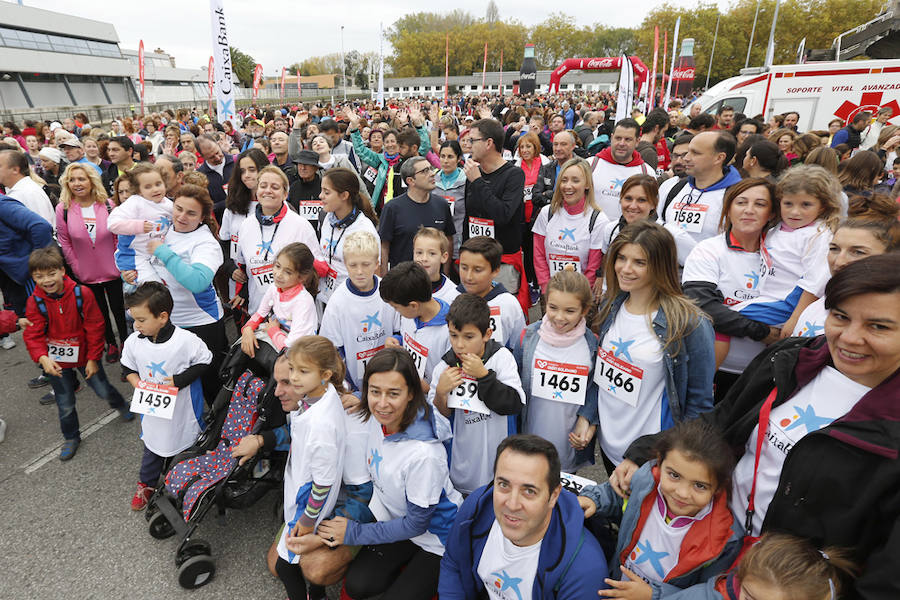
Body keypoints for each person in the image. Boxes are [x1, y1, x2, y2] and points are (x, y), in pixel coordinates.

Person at [613, 253, 900, 597]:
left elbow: (888, 574)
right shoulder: (792, 358)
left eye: (878, 326)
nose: (851, 338)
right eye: (840, 316)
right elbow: (720, 421)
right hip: (717, 546)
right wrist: (646, 451)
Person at [313, 347, 462, 600]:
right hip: (397, 522)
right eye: (375, 391)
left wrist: (354, 533)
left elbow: (416, 524)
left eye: (393, 393)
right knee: (359, 585)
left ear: (411, 394)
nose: (381, 404)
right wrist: (361, 397)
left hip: (437, 539)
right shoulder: (376, 414)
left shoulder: (423, 455)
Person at [592, 221, 715, 469]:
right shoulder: (611, 306)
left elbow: (699, 405)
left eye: (640, 262)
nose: (625, 269)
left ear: (660, 266)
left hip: (649, 457)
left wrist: (671, 458)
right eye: (621, 258)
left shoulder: (689, 324)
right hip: (608, 446)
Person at [579, 420, 741, 598]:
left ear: (718, 488)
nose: (682, 493)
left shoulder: (725, 538)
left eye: (700, 486)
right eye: (674, 475)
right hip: (616, 583)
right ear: (659, 463)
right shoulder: (646, 481)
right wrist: (594, 499)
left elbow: (706, 593)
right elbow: (619, 496)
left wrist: (653, 595)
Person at [439, 434, 610, 599]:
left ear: (553, 496)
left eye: (529, 491)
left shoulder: (584, 570)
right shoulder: (478, 506)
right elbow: (453, 563)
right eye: (504, 485)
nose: (512, 505)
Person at [22, 247, 133, 461]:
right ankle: (71, 437)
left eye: (51, 273)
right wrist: (42, 358)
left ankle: (120, 403)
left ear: (63, 271)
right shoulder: (34, 302)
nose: (46, 280)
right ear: (33, 278)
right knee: (65, 401)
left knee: (102, 388)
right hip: (55, 360)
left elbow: (95, 326)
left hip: (84, 355)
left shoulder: (83, 293)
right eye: (39, 276)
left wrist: (93, 358)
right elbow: (32, 335)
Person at [121, 282, 211, 510]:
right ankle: (147, 483)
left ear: (162, 317)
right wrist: (137, 383)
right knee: (153, 445)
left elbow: (205, 361)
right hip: (153, 411)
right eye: (134, 319)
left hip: (183, 410)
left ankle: (186, 486)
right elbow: (127, 368)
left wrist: (180, 381)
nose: (136, 325)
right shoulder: (133, 342)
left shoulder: (185, 341)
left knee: (186, 447)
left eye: (141, 320)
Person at [275, 337, 348, 600]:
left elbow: (322, 483)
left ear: (325, 374)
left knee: (285, 565)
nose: (294, 378)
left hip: (307, 503)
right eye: (292, 368)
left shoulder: (321, 424)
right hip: (302, 492)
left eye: (303, 372)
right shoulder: (322, 395)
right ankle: (317, 595)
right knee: (294, 558)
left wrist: (306, 521)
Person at [429, 293, 525, 495]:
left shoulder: (501, 359)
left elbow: (513, 404)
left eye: (468, 337)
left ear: (487, 334)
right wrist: (440, 393)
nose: (460, 344)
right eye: (454, 335)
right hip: (462, 465)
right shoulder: (444, 368)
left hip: (498, 465)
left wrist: (483, 376)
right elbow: (439, 419)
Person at [734, 165, 840, 341]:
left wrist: (795, 319)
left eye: (806, 204)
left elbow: (815, 282)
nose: (795, 212)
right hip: (763, 297)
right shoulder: (775, 229)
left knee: (723, 317)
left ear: (822, 206)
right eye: (788, 203)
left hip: (788, 304)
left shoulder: (819, 235)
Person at [146, 184, 226, 404]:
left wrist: (164, 253)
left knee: (211, 387)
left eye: (191, 213)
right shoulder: (164, 229)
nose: (181, 216)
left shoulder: (205, 242)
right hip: (168, 323)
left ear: (202, 218)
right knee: (173, 384)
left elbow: (197, 282)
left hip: (201, 324)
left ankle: (221, 434)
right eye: (178, 208)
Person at [515, 270, 600, 472]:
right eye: (553, 308)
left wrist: (587, 420)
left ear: (584, 309)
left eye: (570, 311)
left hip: (568, 449)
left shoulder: (592, 344)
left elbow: (596, 389)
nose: (559, 317)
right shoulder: (527, 338)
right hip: (529, 442)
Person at [791, 199, 900, 337]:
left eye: (858, 252)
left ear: (890, 256)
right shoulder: (823, 302)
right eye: (834, 249)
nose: (839, 261)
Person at [56, 163, 127, 363]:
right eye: (72, 180)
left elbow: (116, 237)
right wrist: (76, 266)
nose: (77, 183)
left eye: (81, 179)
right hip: (85, 272)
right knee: (97, 313)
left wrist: (118, 262)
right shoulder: (63, 209)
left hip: (112, 269)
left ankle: (125, 342)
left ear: (91, 181)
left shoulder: (107, 204)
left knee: (119, 309)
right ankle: (110, 343)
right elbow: (64, 241)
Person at [234, 166, 323, 315]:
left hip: (293, 315)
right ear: (257, 191)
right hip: (258, 310)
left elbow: (315, 270)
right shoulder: (246, 225)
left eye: (275, 187)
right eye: (263, 186)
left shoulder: (301, 226)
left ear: (285, 194)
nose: (268, 190)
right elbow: (243, 267)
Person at [462, 118, 529, 311]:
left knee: (501, 317)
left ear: (489, 143)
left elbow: (503, 215)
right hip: (475, 260)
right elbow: (470, 217)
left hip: (502, 263)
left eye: (473, 140)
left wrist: (478, 182)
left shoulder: (514, 175)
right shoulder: (474, 172)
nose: (468, 145)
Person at [319, 231, 398, 392]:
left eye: (366, 264)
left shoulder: (389, 292)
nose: (359, 271)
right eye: (353, 265)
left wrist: (396, 341)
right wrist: (348, 387)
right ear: (345, 264)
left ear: (377, 263)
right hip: (354, 385)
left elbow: (400, 330)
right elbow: (332, 351)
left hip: (390, 378)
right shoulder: (337, 302)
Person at [658, 131, 742, 261]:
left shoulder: (736, 196)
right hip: (668, 274)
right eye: (688, 151)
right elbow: (659, 225)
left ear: (719, 158)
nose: (686, 158)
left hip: (708, 276)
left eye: (695, 153)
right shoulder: (675, 187)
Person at [532, 157, 607, 292]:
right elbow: (539, 255)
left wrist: (577, 296)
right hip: (551, 292)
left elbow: (593, 266)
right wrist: (546, 288)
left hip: (581, 296)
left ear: (587, 184)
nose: (568, 186)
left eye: (575, 180)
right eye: (564, 180)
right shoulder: (546, 213)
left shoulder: (598, 219)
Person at [380, 261, 450, 388]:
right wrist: (397, 341)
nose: (396, 311)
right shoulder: (410, 314)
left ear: (413, 305)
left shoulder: (450, 331)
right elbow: (408, 338)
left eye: (396, 307)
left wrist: (425, 388)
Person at [241, 242, 317, 357]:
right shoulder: (274, 288)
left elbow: (292, 347)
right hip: (281, 338)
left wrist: (273, 331)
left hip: (301, 352)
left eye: (288, 272)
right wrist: (247, 328)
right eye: (277, 266)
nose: (278, 274)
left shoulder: (303, 302)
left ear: (301, 277)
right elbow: (261, 313)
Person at [379, 157, 454, 272]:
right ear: (410, 181)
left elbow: (448, 240)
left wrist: (446, 273)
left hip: (434, 281)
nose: (432, 174)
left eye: (431, 169)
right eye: (425, 171)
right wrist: (383, 280)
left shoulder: (442, 205)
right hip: (402, 280)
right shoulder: (392, 208)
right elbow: (384, 246)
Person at [317, 168, 380, 305]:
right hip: (325, 297)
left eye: (327, 192)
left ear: (344, 195)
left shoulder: (364, 230)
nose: (321, 196)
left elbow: (375, 272)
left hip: (351, 301)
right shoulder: (328, 218)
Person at [107, 163, 173, 287]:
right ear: (138, 191)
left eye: (158, 184)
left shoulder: (168, 204)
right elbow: (112, 224)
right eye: (148, 187)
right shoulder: (135, 203)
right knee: (154, 288)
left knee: (168, 288)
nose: (155, 189)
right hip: (135, 256)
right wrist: (139, 226)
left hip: (157, 256)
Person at [457, 236, 526, 351]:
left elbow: (519, 347)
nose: (468, 277)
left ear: (495, 271)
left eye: (477, 270)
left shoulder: (508, 304)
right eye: (464, 268)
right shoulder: (451, 297)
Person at [591, 119, 652, 220]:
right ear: (611, 138)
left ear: (637, 142)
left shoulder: (647, 172)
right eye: (618, 138)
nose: (622, 143)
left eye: (628, 139)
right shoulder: (591, 165)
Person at [0, 150, 55, 227]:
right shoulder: (19, 190)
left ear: (15, 170)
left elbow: (43, 227)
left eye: (0, 166)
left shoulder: (29, 192)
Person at [531, 130, 578, 218]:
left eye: (563, 144)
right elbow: (535, 197)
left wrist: (548, 194)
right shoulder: (546, 168)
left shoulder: (582, 167)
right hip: (549, 218)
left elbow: (579, 198)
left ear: (573, 146)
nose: (558, 148)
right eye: (555, 144)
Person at [434, 140, 467, 258]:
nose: (445, 161)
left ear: (458, 159)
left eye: (450, 157)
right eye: (442, 156)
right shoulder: (432, 180)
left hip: (459, 243)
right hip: (435, 245)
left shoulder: (467, 181)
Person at [413, 226, 459, 305]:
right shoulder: (401, 287)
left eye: (432, 253)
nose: (424, 259)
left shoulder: (453, 295)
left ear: (444, 257)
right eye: (419, 253)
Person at [196, 133, 235, 222]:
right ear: (202, 157)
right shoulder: (200, 176)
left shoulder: (236, 162)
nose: (217, 158)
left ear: (218, 144)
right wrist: (228, 203)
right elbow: (205, 207)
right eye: (211, 157)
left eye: (217, 152)